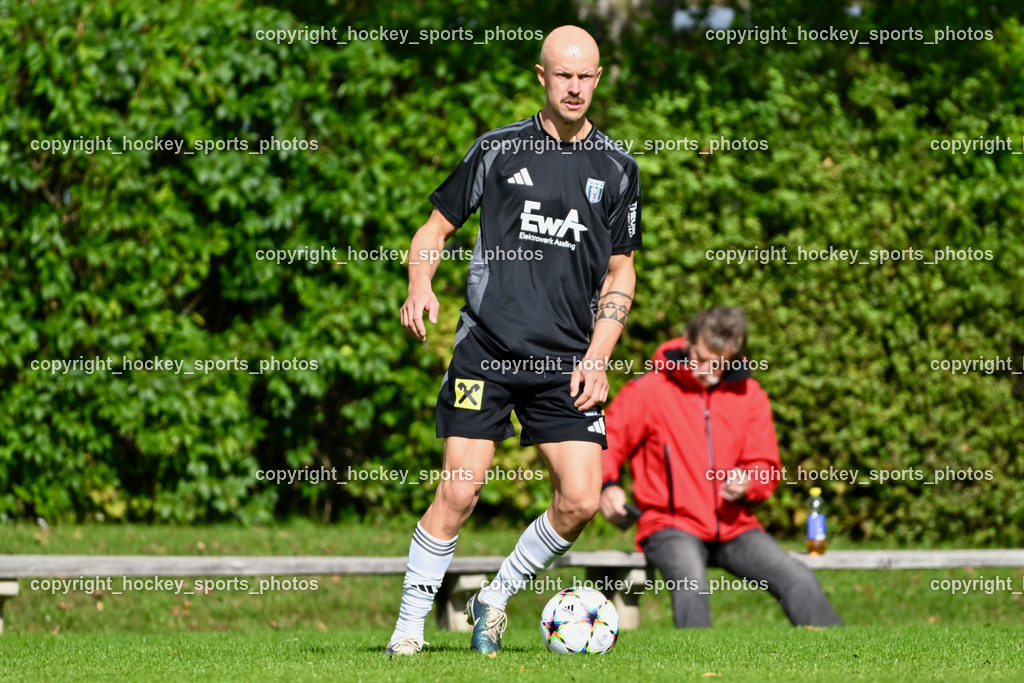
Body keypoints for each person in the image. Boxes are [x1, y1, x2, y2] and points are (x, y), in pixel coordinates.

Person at [387, 25, 643, 655]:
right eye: (563, 75)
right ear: (541, 76)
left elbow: (621, 271)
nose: (574, 87)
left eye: (585, 76)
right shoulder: (498, 150)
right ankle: (407, 633)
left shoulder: (617, 168)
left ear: (598, 79)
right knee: (459, 489)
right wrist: (420, 283)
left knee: (581, 501)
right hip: (488, 352)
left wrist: (599, 358)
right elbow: (433, 229)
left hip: (567, 360)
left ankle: (495, 596)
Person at [600, 307, 843, 628]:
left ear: (733, 356)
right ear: (687, 341)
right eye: (700, 358)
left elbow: (765, 465)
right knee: (691, 583)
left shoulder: (751, 395)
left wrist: (749, 481)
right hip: (670, 526)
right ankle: (699, 659)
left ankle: (842, 654)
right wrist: (607, 485)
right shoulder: (649, 390)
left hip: (735, 527)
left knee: (798, 578)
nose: (705, 370)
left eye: (717, 364)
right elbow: (606, 441)